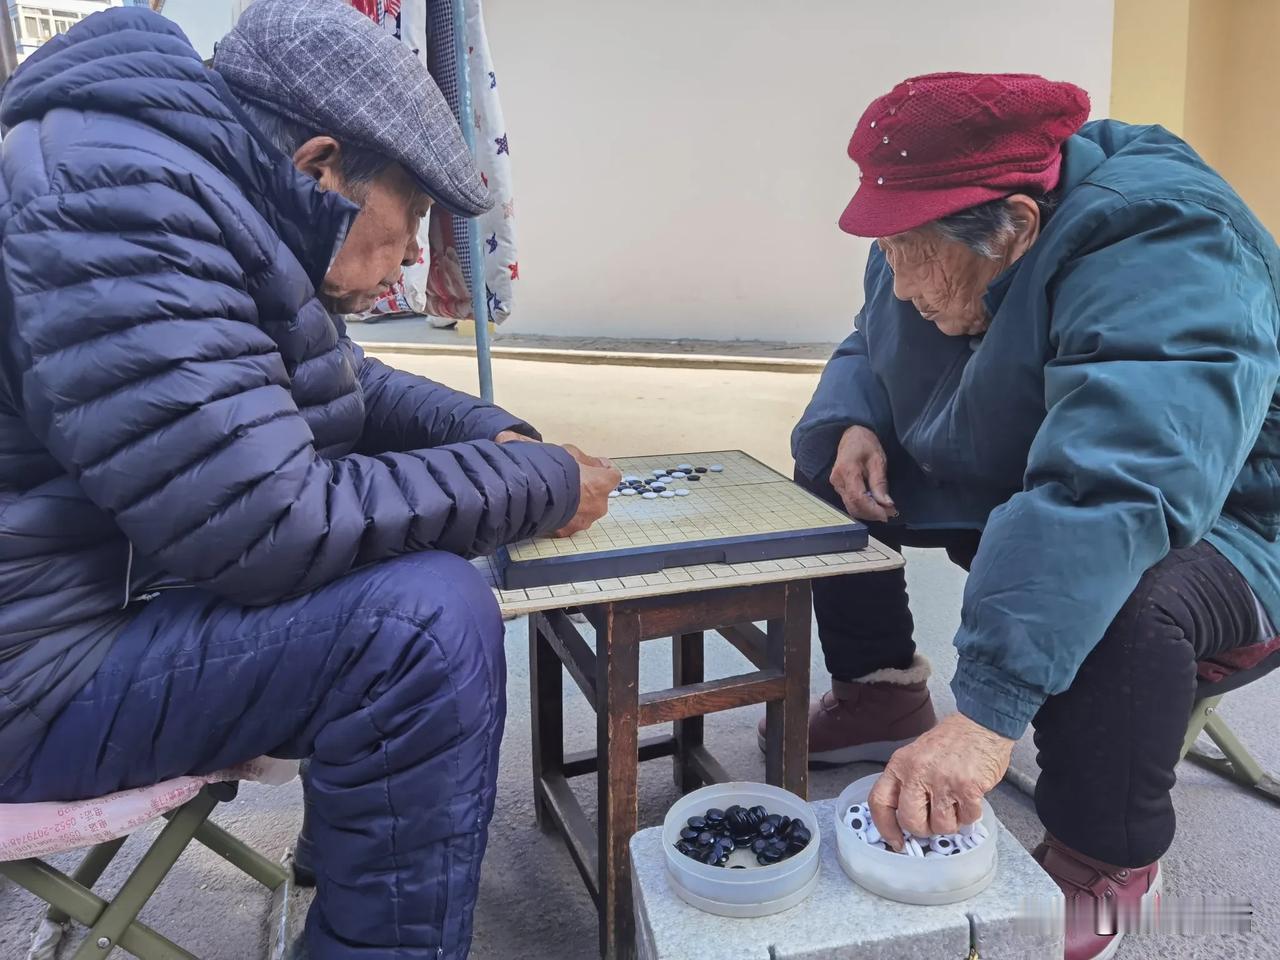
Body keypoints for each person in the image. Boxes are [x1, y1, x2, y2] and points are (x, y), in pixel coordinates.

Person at [0, 3, 619, 958]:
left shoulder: (176, 178)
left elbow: (335, 383)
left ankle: (352, 865)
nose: (416, 252)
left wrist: (490, 431)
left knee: (409, 541)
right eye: (411, 213)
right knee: (421, 623)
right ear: (319, 166)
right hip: (30, 675)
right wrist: (533, 486)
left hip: (82, 604)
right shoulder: (119, 202)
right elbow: (266, 522)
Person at [786, 73, 1280, 960]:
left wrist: (986, 717)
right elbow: (873, 333)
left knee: (1121, 600)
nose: (900, 285)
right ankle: (878, 696)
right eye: (888, 253)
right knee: (833, 468)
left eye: (914, 258)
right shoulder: (936, 222)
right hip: (1033, 461)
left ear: (1017, 224)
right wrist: (854, 414)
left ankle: (1105, 861)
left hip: (1229, 517)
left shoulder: (1170, 242)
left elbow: (1115, 489)